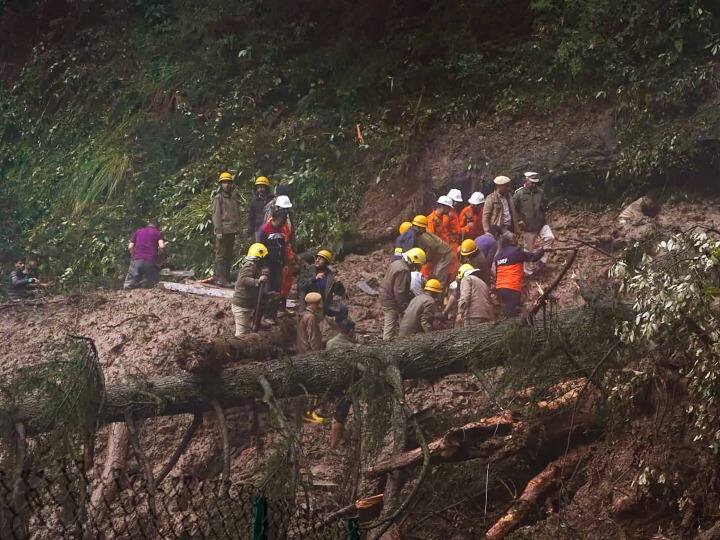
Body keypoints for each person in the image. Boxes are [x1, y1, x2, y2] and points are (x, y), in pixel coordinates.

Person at [380, 247, 427, 341]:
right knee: (390, 325)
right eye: (418, 264)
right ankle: (386, 346)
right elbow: (400, 292)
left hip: (385, 295)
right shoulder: (403, 270)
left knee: (396, 321)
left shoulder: (396, 263)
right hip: (390, 300)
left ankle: (400, 339)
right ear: (413, 260)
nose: (418, 267)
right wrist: (405, 307)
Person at [494, 232, 545, 317]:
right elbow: (533, 257)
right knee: (510, 315)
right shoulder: (515, 252)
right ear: (511, 241)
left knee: (509, 309)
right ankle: (510, 327)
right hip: (512, 287)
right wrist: (542, 251)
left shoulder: (497, 257)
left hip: (500, 288)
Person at [514, 171, 554, 275]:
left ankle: (542, 260)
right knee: (528, 249)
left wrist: (543, 213)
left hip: (541, 223)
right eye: (532, 182)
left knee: (550, 238)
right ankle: (528, 271)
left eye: (535, 182)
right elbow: (514, 210)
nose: (534, 184)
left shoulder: (540, 192)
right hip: (528, 226)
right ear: (526, 181)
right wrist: (519, 221)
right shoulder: (519, 193)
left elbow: (545, 204)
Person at [326, 318, 357, 448]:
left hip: (331, 380)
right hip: (346, 382)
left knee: (339, 410)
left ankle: (338, 439)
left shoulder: (330, 343)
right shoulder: (350, 346)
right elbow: (357, 365)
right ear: (350, 331)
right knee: (341, 412)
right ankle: (334, 444)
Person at [256, 208, 290, 320]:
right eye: (281, 221)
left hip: (278, 264)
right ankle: (264, 316)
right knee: (268, 290)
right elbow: (259, 249)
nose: (282, 223)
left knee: (277, 289)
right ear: (274, 219)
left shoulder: (281, 230)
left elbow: (283, 246)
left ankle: (272, 315)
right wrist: (263, 266)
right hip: (268, 264)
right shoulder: (264, 230)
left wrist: (285, 262)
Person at [232, 243, 269, 336]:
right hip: (241, 305)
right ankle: (236, 349)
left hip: (247, 305)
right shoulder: (249, 266)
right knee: (241, 335)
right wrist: (258, 280)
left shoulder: (255, 266)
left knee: (246, 333)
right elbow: (243, 280)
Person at [212, 171, 242, 286]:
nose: (227, 185)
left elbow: (236, 214)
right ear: (221, 184)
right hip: (223, 230)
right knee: (221, 256)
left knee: (229, 255)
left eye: (228, 182)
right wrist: (218, 231)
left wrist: (238, 228)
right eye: (224, 182)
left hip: (231, 230)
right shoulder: (218, 198)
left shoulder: (233, 198)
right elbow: (216, 215)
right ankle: (221, 279)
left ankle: (227, 278)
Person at [123, 219, 166, 289]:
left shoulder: (138, 231)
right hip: (150, 261)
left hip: (136, 260)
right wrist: (160, 256)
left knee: (129, 286)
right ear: (157, 226)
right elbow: (162, 246)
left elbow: (130, 246)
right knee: (155, 286)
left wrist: (133, 255)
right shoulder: (157, 233)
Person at [414, 216, 454, 287]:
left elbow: (433, 247)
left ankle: (438, 292)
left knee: (439, 276)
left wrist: (427, 258)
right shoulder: (422, 235)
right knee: (435, 274)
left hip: (445, 254)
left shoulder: (423, 236)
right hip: (441, 255)